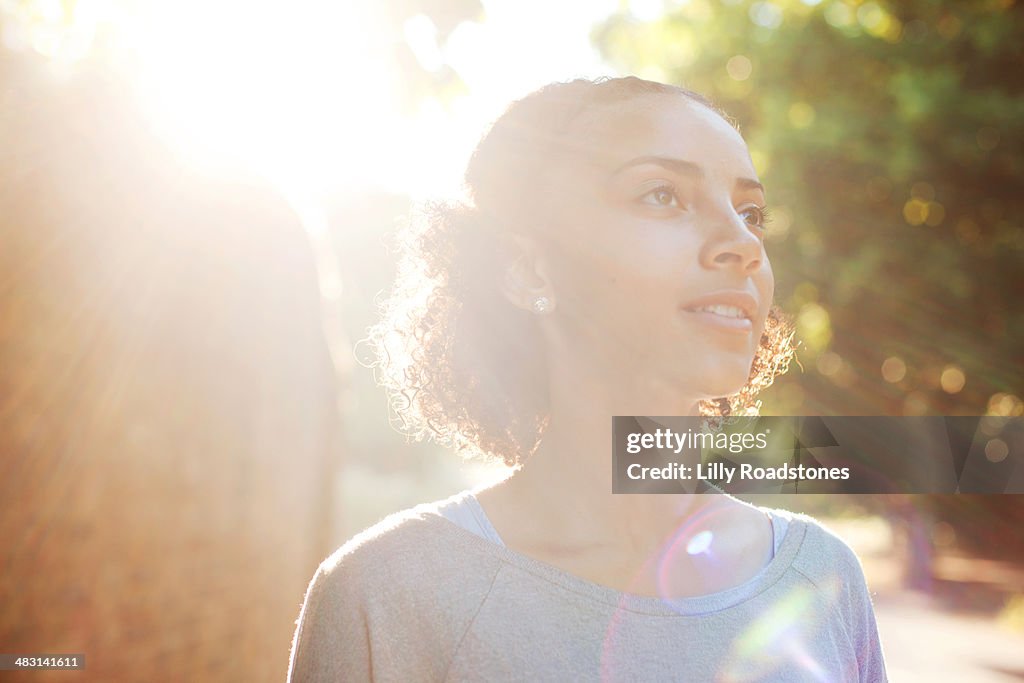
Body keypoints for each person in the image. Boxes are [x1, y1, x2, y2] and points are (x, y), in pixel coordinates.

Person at [287, 76, 888, 682]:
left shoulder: (821, 572)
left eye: (750, 212)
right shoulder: (391, 590)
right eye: (662, 194)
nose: (742, 243)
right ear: (528, 269)